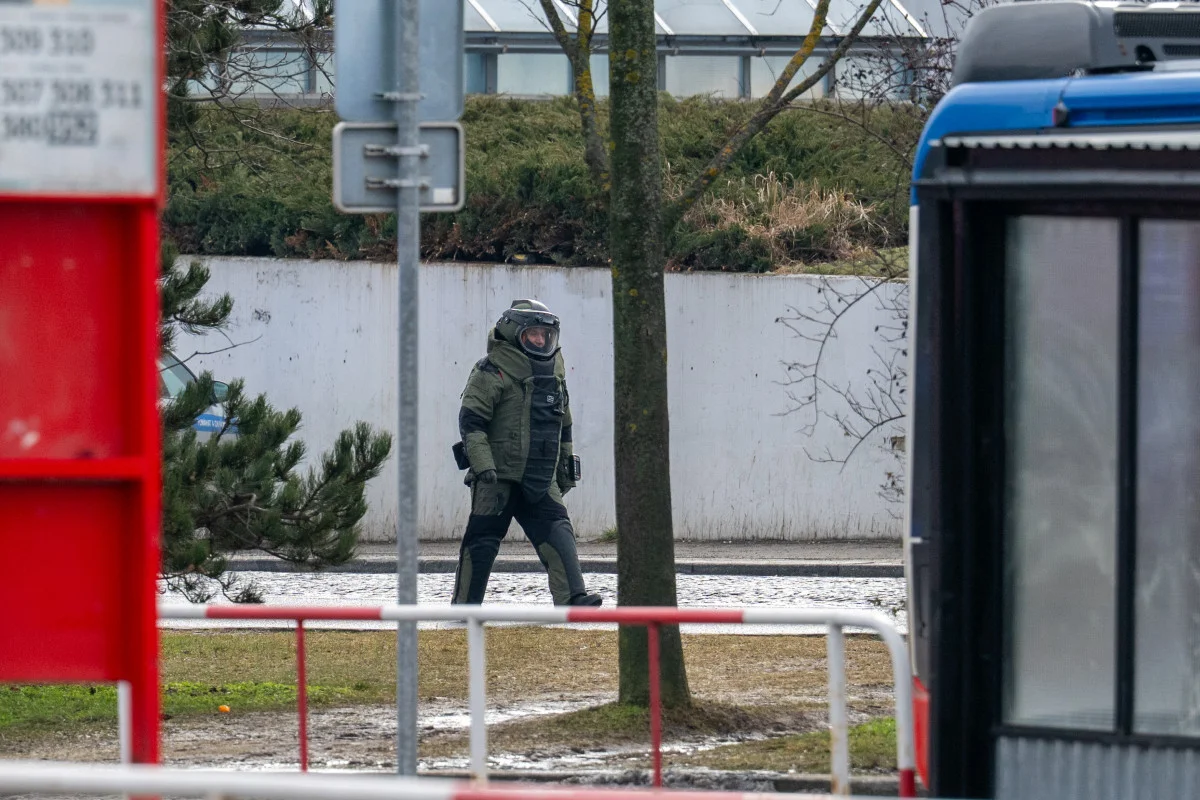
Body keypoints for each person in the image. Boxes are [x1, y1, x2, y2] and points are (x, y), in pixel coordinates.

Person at [451, 299, 602, 607]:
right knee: (481, 541)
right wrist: (483, 467)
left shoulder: (555, 374)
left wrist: (565, 470)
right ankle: (465, 607)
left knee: (559, 530)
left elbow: (565, 423)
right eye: (532, 333)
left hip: (539, 473)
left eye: (544, 335)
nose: (539, 340)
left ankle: (573, 599)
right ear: (513, 333)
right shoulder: (489, 371)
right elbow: (471, 423)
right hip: (497, 478)